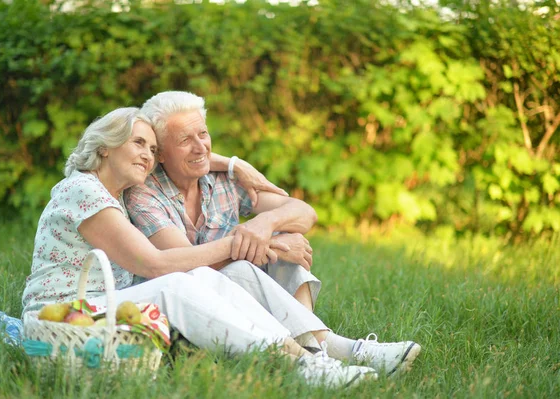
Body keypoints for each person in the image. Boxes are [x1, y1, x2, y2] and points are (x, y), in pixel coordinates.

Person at [21, 107, 378, 387]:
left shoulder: (119, 195)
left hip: (104, 309)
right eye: (138, 143)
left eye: (153, 148)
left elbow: (184, 156)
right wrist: (242, 241)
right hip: (62, 316)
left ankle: (313, 354)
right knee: (177, 283)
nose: (148, 155)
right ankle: (296, 364)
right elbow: (157, 265)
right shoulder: (82, 190)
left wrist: (231, 163)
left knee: (217, 277)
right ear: (104, 147)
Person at [124, 91, 422, 376]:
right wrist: (275, 244)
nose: (200, 146)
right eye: (185, 140)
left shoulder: (222, 180)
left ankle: (314, 348)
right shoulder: (144, 193)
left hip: (239, 298)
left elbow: (305, 212)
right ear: (160, 153)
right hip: (187, 317)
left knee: (285, 234)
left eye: (203, 134)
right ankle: (338, 350)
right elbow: (190, 265)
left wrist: (264, 226)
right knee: (252, 260)